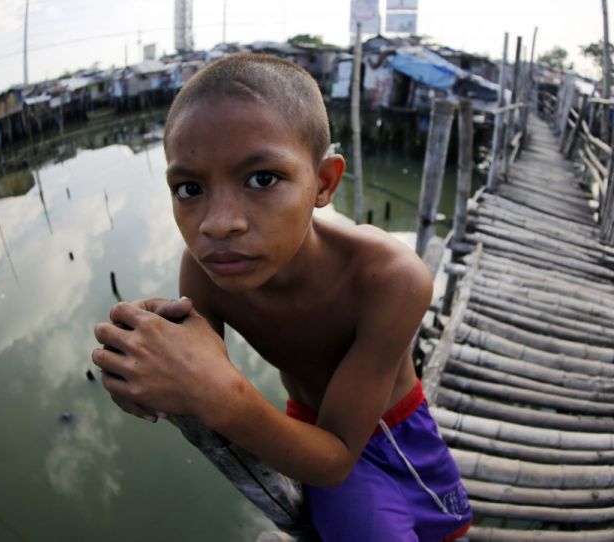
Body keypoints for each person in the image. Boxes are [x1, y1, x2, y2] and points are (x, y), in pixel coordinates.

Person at [91, 53, 471, 541]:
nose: (218, 224)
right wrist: (141, 371)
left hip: (393, 431)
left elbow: (335, 453)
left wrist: (223, 396)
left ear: (324, 182)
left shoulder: (390, 279)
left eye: (262, 179)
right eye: (189, 188)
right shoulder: (204, 274)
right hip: (302, 430)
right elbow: (198, 370)